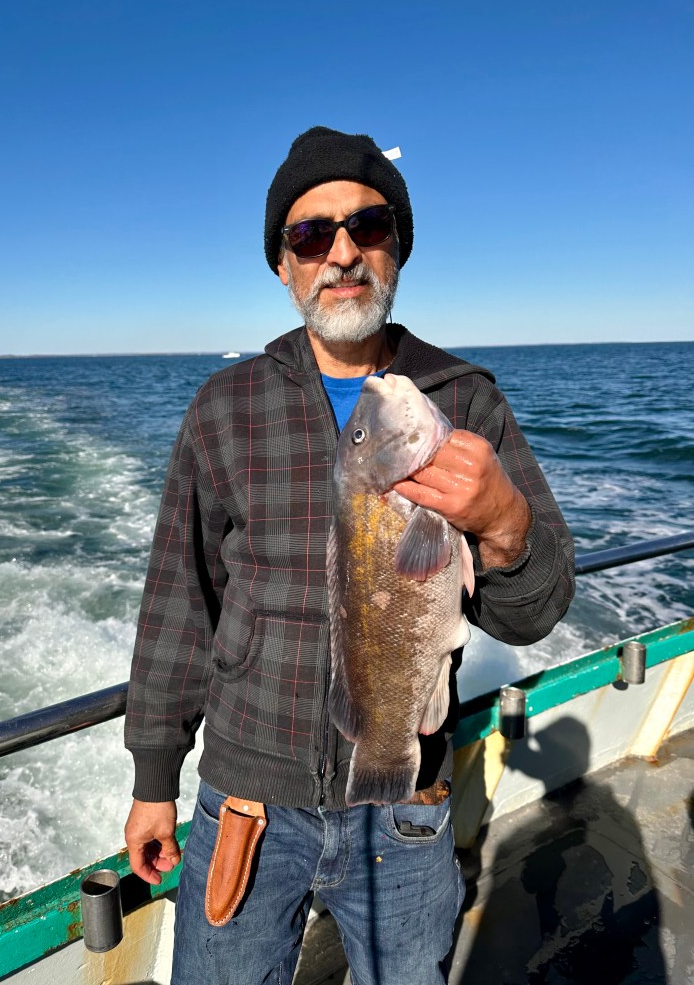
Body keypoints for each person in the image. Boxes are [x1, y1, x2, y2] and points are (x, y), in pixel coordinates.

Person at [123, 126, 575, 984]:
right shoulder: (224, 409)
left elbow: (531, 612)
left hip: (408, 802)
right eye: (310, 235)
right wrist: (155, 776)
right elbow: (180, 601)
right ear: (284, 267)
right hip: (247, 800)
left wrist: (504, 523)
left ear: (396, 249)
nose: (341, 253)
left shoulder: (464, 399)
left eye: (367, 227)